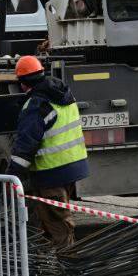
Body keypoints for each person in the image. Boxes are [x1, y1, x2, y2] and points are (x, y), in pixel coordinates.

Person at [9, 55, 89, 249]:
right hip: (72, 166)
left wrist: (11, 177)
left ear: (22, 83)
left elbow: (25, 148)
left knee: (58, 224)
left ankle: (68, 268)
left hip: (51, 172)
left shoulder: (36, 105)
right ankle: (54, 264)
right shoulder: (62, 93)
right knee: (51, 219)